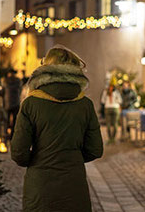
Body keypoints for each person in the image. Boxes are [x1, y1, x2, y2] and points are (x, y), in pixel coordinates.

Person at [11, 45, 103, 212]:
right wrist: (70, 158)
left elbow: (18, 153)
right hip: (74, 185)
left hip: (40, 187)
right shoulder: (85, 105)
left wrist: (40, 159)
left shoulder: (31, 104)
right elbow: (95, 149)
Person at [3, 68, 22, 139]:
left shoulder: (5, 81)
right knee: (14, 120)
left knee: (6, 119)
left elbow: (2, 92)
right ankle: (12, 134)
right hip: (16, 103)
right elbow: (20, 91)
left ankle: (5, 133)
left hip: (7, 103)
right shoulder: (18, 81)